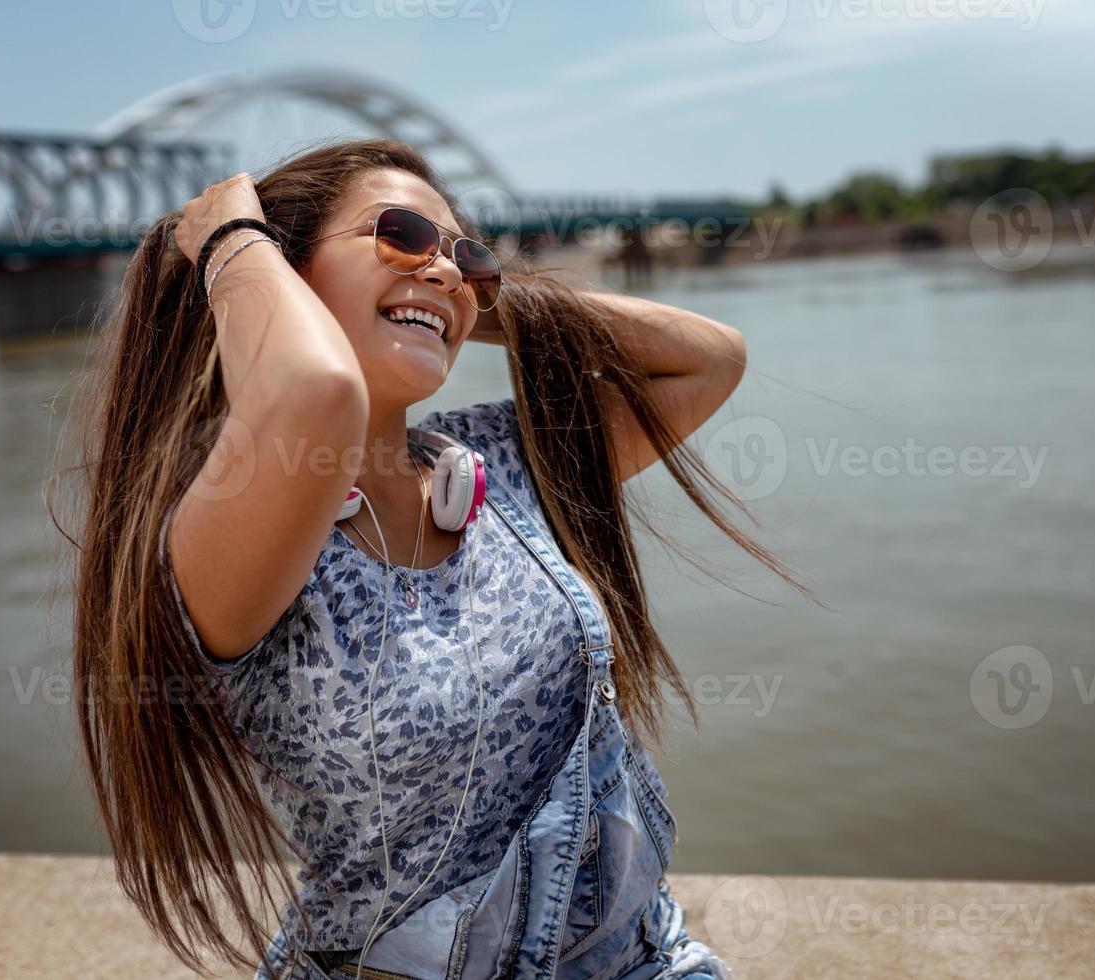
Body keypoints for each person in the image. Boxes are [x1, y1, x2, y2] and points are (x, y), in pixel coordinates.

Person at [56, 138, 812, 979]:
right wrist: (236, 240)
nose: (446, 267)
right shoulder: (224, 526)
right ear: (286, 276)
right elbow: (313, 393)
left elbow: (708, 357)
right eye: (402, 232)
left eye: (466, 254)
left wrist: (445, 296)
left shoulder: (498, 462)